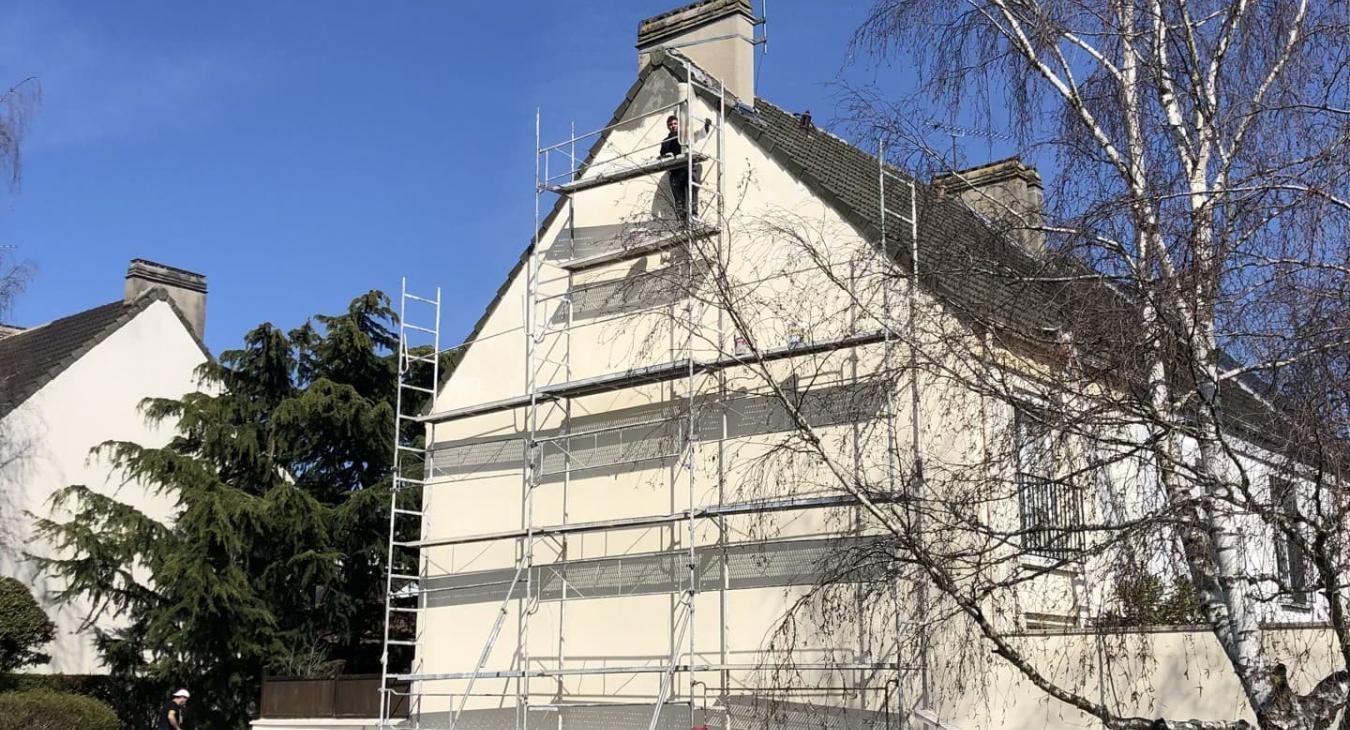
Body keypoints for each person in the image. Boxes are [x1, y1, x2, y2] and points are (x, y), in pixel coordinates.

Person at [659, 114, 712, 220]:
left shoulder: (685, 135)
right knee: (679, 198)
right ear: (668, 126)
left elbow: (698, 135)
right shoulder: (665, 142)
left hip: (688, 168)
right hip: (675, 172)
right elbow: (662, 156)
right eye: (670, 124)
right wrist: (666, 157)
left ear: (678, 124)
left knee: (693, 191)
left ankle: (694, 216)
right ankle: (682, 222)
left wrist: (706, 126)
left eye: (675, 123)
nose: (673, 126)